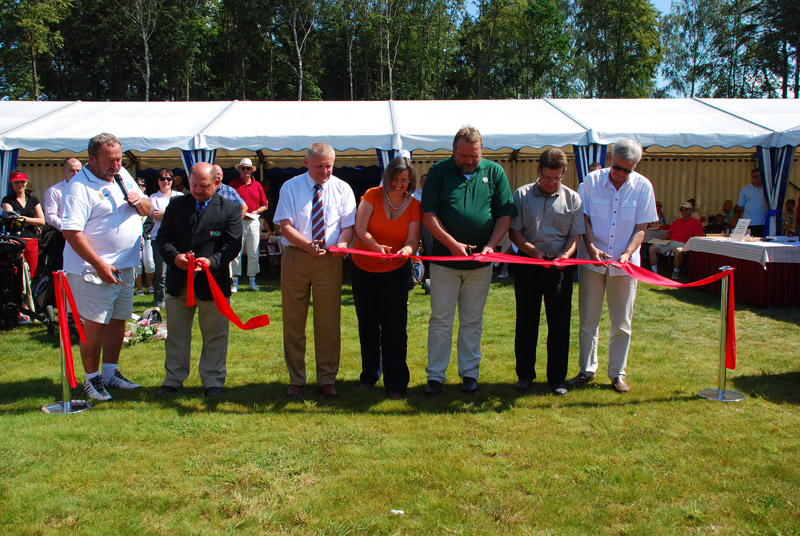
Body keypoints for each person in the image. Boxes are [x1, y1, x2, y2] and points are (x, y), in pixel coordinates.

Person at [420, 125, 517, 396]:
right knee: (440, 320)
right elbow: (428, 214)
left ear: (481, 151)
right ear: (453, 151)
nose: (469, 161)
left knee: (472, 321)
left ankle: (470, 374)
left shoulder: (494, 172)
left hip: (480, 265)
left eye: (474, 155)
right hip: (444, 263)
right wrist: (452, 245)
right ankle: (435, 376)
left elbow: (505, 214)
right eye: (463, 156)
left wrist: (491, 246)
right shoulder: (438, 171)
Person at [61, 133, 151, 401]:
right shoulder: (79, 187)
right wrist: (98, 264)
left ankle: (110, 372)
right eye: (109, 160)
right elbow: (71, 232)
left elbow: (146, 208)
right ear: (91, 158)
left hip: (125, 267)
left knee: (117, 321)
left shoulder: (122, 175)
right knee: (95, 325)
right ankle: (91, 379)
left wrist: (141, 202)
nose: (116, 165)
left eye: (119, 159)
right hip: (93, 270)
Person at [568, 139, 657, 393]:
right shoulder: (591, 181)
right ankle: (586, 369)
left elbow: (641, 227)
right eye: (618, 167)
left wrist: (627, 254)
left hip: (625, 265)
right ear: (610, 159)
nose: (621, 174)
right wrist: (591, 246)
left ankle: (617, 373)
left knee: (622, 321)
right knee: (588, 319)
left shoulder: (643, 187)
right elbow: (583, 218)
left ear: (635, 165)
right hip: (592, 261)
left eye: (628, 170)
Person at [273, 142, 356, 399]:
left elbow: (348, 226)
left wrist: (343, 244)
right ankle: (296, 379)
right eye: (319, 166)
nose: (325, 171)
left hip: (329, 261)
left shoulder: (342, 188)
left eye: (329, 166)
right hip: (296, 258)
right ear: (306, 162)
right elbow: (285, 226)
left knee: (328, 322)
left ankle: (327, 379)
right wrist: (306, 246)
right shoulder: (290, 187)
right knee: (293, 322)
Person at [155, 162, 242, 398]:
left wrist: (211, 262)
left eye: (203, 186)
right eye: (193, 185)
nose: (197, 190)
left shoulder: (230, 209)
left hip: (212, 283)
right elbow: (163, 239)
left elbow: (232, 244)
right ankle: (173, 379)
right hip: (179, 282)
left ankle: (213, 380)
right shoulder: (176, 205)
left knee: (215, 334)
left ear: (217, 183)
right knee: (176, 334)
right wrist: (176, 258)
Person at [510, 148, 584, 396]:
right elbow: (514, 232)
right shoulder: (522, 195)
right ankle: (525, 376)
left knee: (560, 324)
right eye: (547, 177)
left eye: (557, 178)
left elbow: (575, 235)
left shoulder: (573, 199)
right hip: (528, 265)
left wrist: (566, 255)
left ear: (564, 173)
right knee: (526, 322)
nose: (552, 182)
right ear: (538, 171)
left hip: (559, 267)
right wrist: (533, 252)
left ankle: (557, 379)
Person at [352, 156, 421, 400]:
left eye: (404, 180)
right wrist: (376, 248)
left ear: (410, 181)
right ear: (388, 176)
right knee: (367, 324)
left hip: (395, 271)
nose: (399, 184)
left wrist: (407, 250)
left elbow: (413, 240)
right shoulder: (372, 195)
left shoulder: (414, 205)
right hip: (364, 268)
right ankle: (370, 374)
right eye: (395, 178)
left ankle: (396, 382)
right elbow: (360, 229)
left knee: (395, 327)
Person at [229, 157, 268, 292]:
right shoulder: (233, 185)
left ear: (251, 170)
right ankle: (235, 282)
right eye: (243, 168)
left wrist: (257, 211)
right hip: (238, 221)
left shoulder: (257, 186)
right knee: (236, 251)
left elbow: (265, 205)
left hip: (253, 220)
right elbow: (228, 203)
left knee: (253, 251)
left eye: (248, 168)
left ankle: (252, 281)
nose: (246, 170)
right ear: (239, 170)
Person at [149, 168, 183, 307]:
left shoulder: (180, 196)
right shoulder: (152, 198)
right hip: (158, 238)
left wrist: (165, 214)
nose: (166, 181)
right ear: (158, 181)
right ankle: (159, 299)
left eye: (169, 179)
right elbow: (155, 216)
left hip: (177, 238)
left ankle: (176, 296)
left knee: (177, 269)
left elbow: (182, 216)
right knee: (160, 272)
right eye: (162, 179)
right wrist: (172, 215)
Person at [2, 171, 45, 280]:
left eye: (22, 182)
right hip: (15, 241)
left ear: (26, 183)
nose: (20, 185)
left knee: (32, 274)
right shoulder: (7, 200)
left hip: (31, 240)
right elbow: (13, 219)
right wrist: (31, 221)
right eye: (16, 182)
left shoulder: (33, 200)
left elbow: (42, 221)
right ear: (11, 184)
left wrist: (24, 219)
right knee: (15, 274)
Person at [43, 157, 82, 272]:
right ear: (64, 170)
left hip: (84, 234)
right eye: (72, 170)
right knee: (61, 270)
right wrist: (68, 229)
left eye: (78, 171)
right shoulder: (54, 191)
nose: (75, 174)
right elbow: (50, 216)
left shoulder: (87, 190)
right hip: (62, 236)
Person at [648, 201, 704, 280]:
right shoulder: (677, 221)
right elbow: (668, 234)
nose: (684, 211)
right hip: (671, 242)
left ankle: (675, 272)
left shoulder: (696, 222)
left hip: (684, 244)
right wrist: (662, 240)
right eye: (681, 210)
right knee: (652, 248)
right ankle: (654, 272)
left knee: (678, 251)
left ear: (691, 210)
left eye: (686, 209)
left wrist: (689, 244)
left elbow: (698, 237)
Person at [134, 177, 155, 296]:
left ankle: (150, 285)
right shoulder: (128, 200)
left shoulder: (149, 200)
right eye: (138, 185)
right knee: (137, 264)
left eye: (142, 185)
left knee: (150, 262)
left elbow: (151, 220)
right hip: (134, 237)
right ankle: (139, 288)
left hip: (147, 236)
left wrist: (145, 233)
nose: (140, 187)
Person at [738, 168, 768, 237]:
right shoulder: (745, 190)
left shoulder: (766, 190)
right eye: (754, 176)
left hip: (763, 222)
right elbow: (741, 206)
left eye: (758, 176)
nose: (756, 178)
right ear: (751, 177)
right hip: (749, 223)